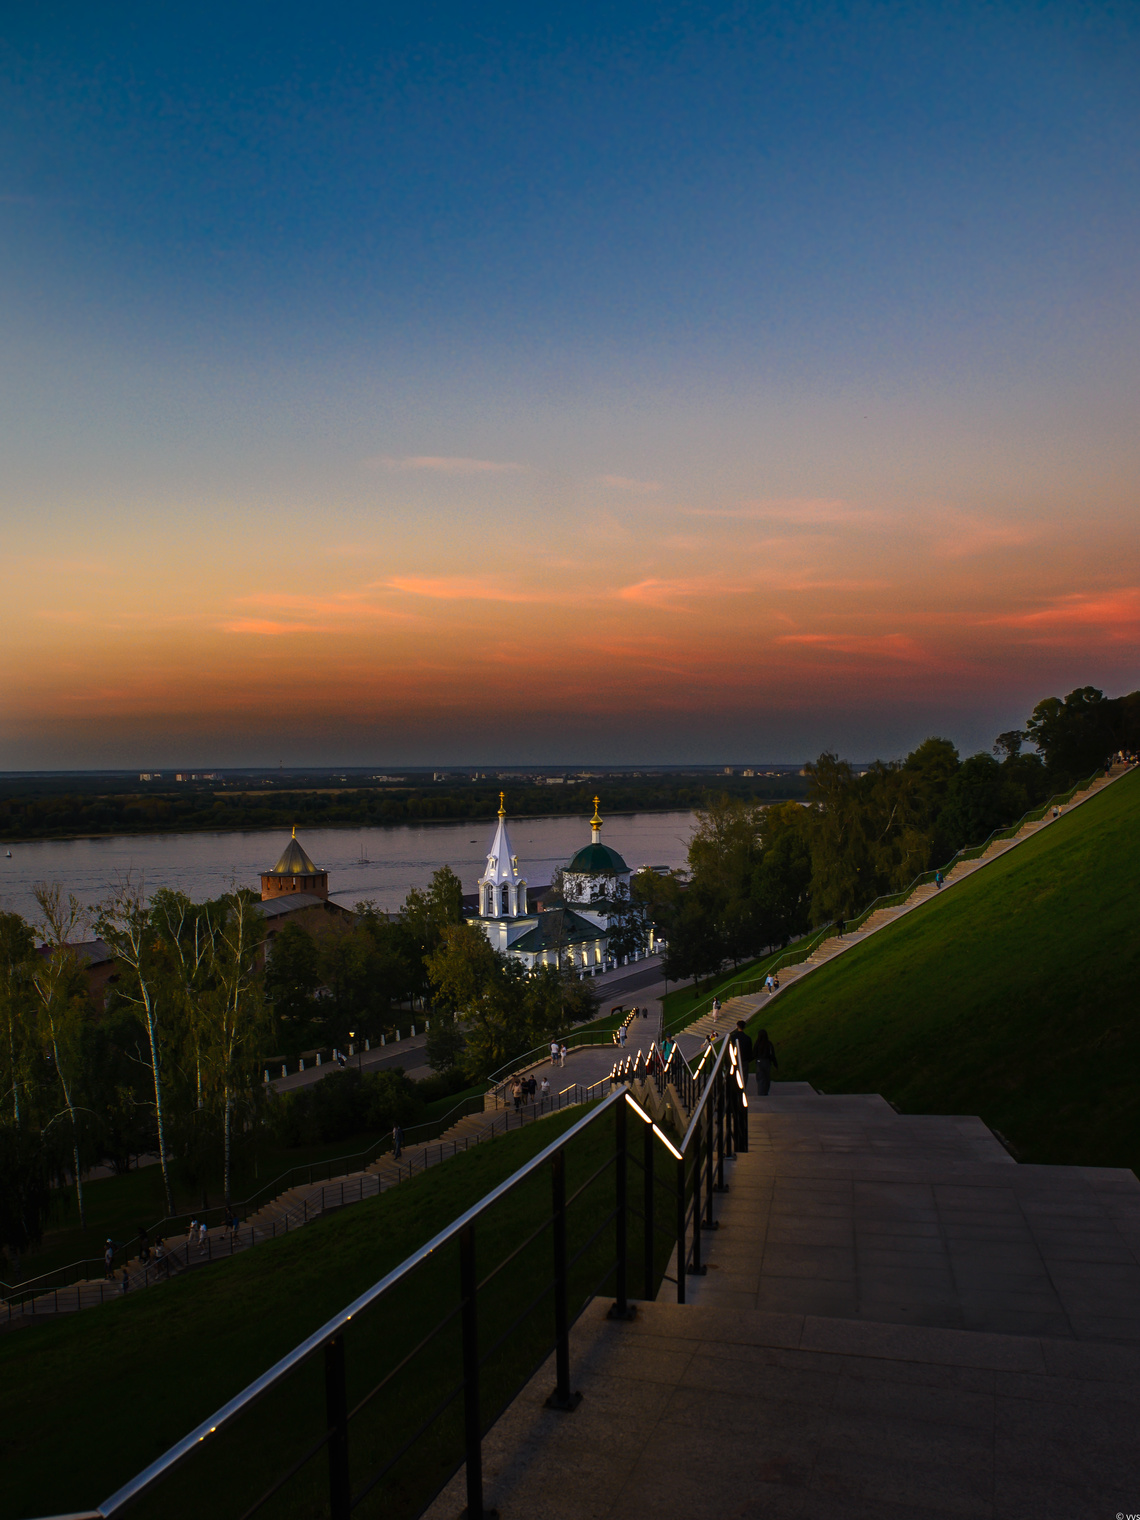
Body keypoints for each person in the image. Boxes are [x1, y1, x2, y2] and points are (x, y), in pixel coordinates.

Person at [754, 1027, 778, 1096]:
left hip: (759, 1061)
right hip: (767, 1062)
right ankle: (765, 1091)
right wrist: (775, 1064)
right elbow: (772, 1054)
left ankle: (760, 1092)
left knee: (760, 1078)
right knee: (767, 1077)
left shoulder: (757, 1044)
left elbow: (754, 1053)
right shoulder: (768, 1044)